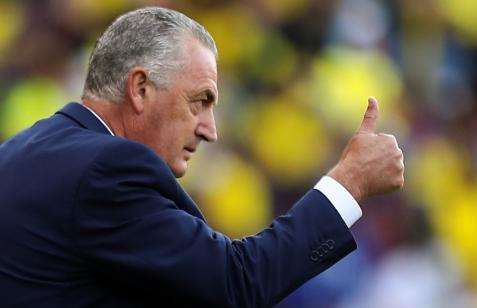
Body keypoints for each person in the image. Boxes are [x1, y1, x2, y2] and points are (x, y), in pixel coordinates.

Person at [0, 7, 404, 308]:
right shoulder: (107, 169)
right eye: (200, 101)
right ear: (140, 88)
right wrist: (349, 183)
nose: (210, 129)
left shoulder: (22, 149)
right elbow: (237, 282)